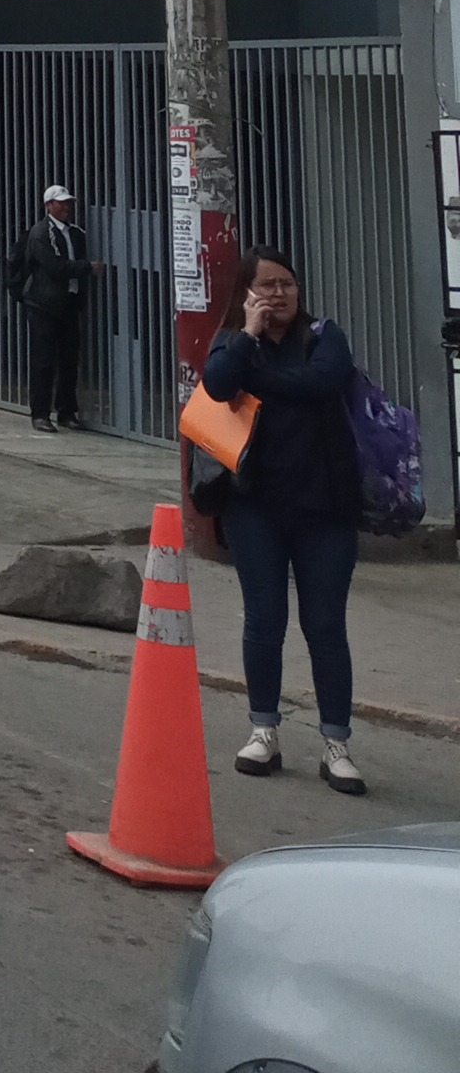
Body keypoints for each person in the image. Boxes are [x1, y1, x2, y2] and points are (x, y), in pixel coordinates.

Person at [204, 245, 367, 796]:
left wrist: (260, 379)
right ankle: (264, 732)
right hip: (255, 508)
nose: (278, 294)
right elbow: (219, 384)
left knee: (325, 626)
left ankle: (336, 744)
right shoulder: (234, 341)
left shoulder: (324, 336)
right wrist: (248, 338)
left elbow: (322, 382)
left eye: (287, 284)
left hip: (326, 508)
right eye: (267, 286)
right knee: (264, 620)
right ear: (246, 294)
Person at [9, 181, 90, 432]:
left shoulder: (75, 233)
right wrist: (87, 268)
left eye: (68, 203)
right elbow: (55, 267)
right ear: (49, 205)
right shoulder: (41, 233)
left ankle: (66, 411)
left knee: (69, 360)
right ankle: (40, 413)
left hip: (68, 302)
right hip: (43, 304)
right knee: (43, 361)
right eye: (61, 203)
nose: (66, 207)